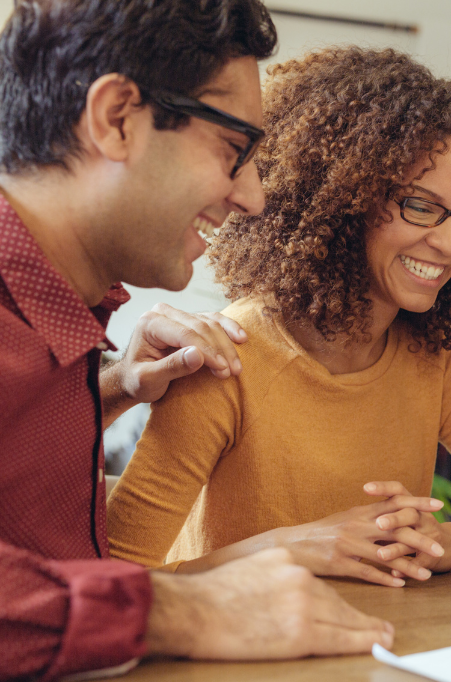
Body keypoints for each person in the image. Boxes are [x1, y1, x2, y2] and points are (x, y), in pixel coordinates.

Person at [0, 2, 394, 680]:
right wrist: (185, 609)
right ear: (118, 118)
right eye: (234, 149)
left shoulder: (65, 321)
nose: (253, 197)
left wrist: (114, 388)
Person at [105, 47, 451, 587]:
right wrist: (283, 552)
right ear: (346, 199)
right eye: (421, 206)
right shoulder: (227, 356)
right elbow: (117, 578)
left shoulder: (434, 358)